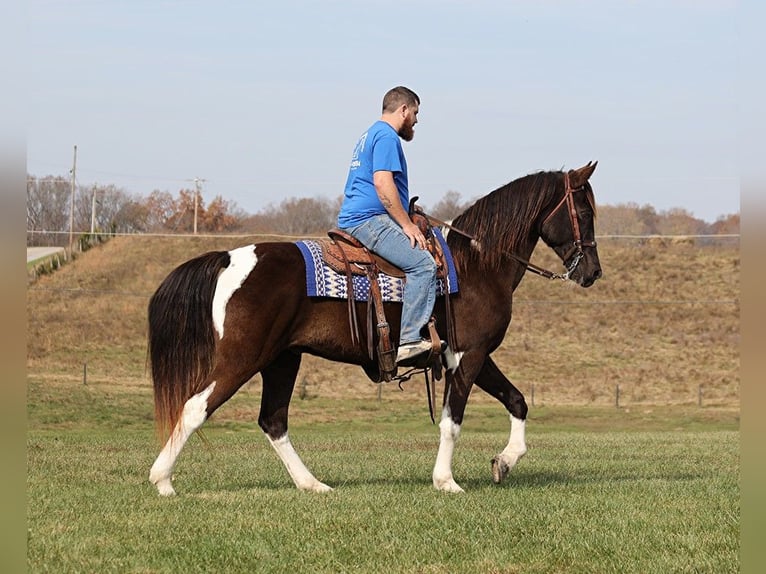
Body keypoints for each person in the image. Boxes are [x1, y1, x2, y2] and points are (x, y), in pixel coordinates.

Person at [337, 86, 438, 365]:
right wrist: (407, 225)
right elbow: (383, 183)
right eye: (416, 113)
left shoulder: (369, 134)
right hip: (369, 221)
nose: (416, 120)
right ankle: (409, 339)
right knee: (424, 265)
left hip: (361, 217)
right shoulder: (386, 136)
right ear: (403, 110)